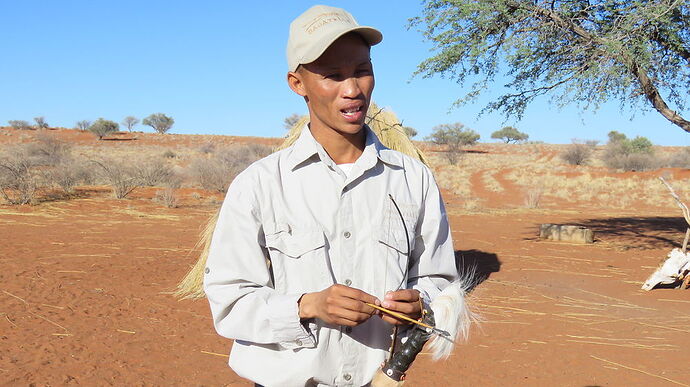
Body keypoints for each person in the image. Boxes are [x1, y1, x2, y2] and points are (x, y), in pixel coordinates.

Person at [203, 5, 457, 386]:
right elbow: (229, 302)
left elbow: (441, 280)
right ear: (297, 83)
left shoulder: (414, 180)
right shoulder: (259, 185)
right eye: (333, 76)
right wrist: (307, 305)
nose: (352, 90)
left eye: (362, 71)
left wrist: (420, 300)